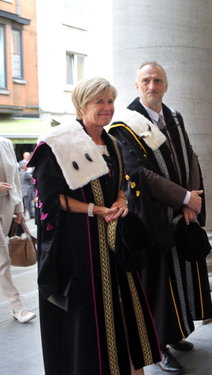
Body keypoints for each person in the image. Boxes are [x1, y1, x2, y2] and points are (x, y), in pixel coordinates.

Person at [28, 77, 161, 375]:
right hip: (78, 245)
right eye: (99, 101)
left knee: (120, 309)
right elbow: (49, 200)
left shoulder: (112, 143)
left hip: (113, 242)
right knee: (88, 316)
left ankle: (125, 367)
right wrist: (93, 209)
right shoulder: (57, 144)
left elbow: (120, 185)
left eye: (110, 101)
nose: (107, 108)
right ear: (81, 104)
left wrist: (121, 200)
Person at [108, 61, 212, 374]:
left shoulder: (174, 117)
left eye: (158, 80)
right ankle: (157, 345)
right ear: (137, 84)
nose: (152, 86)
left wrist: (191, 200)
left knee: (179, 274)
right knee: (156, 282)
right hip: (151, 218)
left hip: (181, 213)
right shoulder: (124, 124)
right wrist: (182, 197)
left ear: (166, 84)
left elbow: (190, 157)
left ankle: (176, 329)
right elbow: (139, 173)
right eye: (146, 81)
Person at [0, 136, 36, 323]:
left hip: (6, 204)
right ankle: (17, 306)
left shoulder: (5, 143)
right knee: (3, 257)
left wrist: (19, 208)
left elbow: (14, 177)